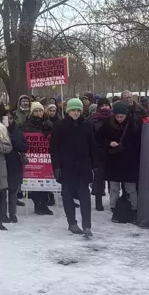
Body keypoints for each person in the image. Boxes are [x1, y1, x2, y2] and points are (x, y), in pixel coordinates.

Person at [50, 98, 97, 237]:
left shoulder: (87, 125)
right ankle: (72, 222)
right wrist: (56, 167)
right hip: (66, 167)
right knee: (67, 195)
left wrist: (95, 166)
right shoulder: (59, 126)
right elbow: (54, 148)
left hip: (83, 166)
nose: (75, 113)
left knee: (84, 196)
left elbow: (92, 146)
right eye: (73, 110)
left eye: (78, 110)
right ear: (68, 111)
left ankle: (87, 225)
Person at [97, 102, 141, 223]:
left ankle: (134, 209)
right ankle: (114, 208)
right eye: (117, 116)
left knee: (131, 188)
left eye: (122, 116)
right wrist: (109, 143)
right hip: (114, 160)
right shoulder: (108, 123)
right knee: (114, 187)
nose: (120, 119)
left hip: (130, 161)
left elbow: (139, 142)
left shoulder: (134, 124)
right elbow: (99, 138)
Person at [21, 101, 54, 215]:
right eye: (36, 110)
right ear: (32, 112)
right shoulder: (26, 125)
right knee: (34, 183)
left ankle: (44, 205)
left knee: (45, 182)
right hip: (32, 157)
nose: (39, 112)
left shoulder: (48, 123)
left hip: (45, 157)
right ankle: (37, 205)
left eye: (40, 110)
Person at [3, 111, 29, 223]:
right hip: (2, 164)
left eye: (10, 118)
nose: (8, 121)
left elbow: (25, 147)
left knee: (13, 192)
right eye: (6, 118)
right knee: (2, 192)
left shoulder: (18, 132)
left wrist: (13, 141)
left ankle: (13, 213)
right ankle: (3, 213)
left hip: (15, 165)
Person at [90, 98, 112, 211]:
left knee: (113, 179)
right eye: (102, 105)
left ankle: (113, 201)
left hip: (112, 152)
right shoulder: (94, 120)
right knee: (99, 178)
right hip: (99, 152)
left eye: (106, 105)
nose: (104, 107)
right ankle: (99, 201)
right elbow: (91, 137)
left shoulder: (114, 118)